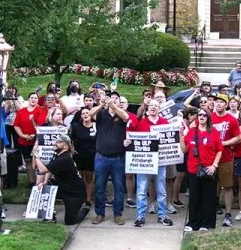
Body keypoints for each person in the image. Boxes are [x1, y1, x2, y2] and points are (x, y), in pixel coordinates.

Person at [129, 99, 173, 227]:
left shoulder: (165, 122)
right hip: (145, 161)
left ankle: (162, 215)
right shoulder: (141, 123)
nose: (153, 107)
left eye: (156, 105)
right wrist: (127, 142)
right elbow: (133, 139)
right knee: (142, 189)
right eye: (151, 105)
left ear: (160, 108)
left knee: (161, 189)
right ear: (147, 108)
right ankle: (140, 216)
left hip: (161, 160)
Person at [89, 91, 130, 225]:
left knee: (118, 187)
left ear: (119, 101)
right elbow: (89, 114)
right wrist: (101, 105)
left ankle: (118, 214)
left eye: (116, 99)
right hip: (101, 157)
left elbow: (126, 116)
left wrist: (113, 106)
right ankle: (100, 214)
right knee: (100, 186)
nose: (113, 100)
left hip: (118, 158)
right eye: (111, 98)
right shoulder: (101, 114)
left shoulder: (121, 114)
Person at [33, 134, 89, 225]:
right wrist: (45, 182)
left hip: (74, 193)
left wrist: (36, 156)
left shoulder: (65, 158)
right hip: (62, 187)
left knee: (70, 221)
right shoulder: (57, 155)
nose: (55, 143)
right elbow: (50, 169)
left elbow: (43, 170)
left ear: (65, 146)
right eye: (55, 141)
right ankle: (50, 217)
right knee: (45, 190)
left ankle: (85, 210)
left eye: (58, 142)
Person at [181, 108, 222, 232]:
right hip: (193, 169)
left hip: (208, 170)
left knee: (208, 197)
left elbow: (219, 150)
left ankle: (206, 223)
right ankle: (193, 222)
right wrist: (181, 137)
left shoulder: (214, 132)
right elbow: (184, 150)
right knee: (194, 197)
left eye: (204, 115)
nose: (202, 117)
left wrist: (214, 165)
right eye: (200, 115)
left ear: (208, 117)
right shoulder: (192, 131)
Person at [209, 93, 240, 227]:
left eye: (222, 102)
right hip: (209, 159)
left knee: (227, 186)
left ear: (226, 104)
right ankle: (212, 208)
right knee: (211, 186)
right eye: (217, 101)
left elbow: (238, 138)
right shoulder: (209, 118)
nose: (219, 104)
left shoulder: (231, 119)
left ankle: (228, 214)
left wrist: (224, 143)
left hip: (226, 158)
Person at [69, 106, 97, 206]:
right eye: (83, 113)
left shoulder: (96, 126)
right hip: (79, 156)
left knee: (89, 178)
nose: (85, 115)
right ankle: (80, 197)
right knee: (79, 178)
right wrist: (71, 149)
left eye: (87, 113)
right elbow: (70, 140)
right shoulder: (76, 126)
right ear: (80, 116)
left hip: (91, 156)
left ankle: (89, 199)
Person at [13, 91, 42, 188]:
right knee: (28, 161)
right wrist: (23, 135)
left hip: (37, 141)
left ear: (38, 100)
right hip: (24, 141)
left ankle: (39, 181)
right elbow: (16, 125)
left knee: (38, 161)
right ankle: (31, 181)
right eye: (32, 97)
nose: (33, 99)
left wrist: (35, 134)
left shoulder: (40, 111)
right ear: (28, 99)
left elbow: (42, 125)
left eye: (35, 98)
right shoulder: (21, 111)